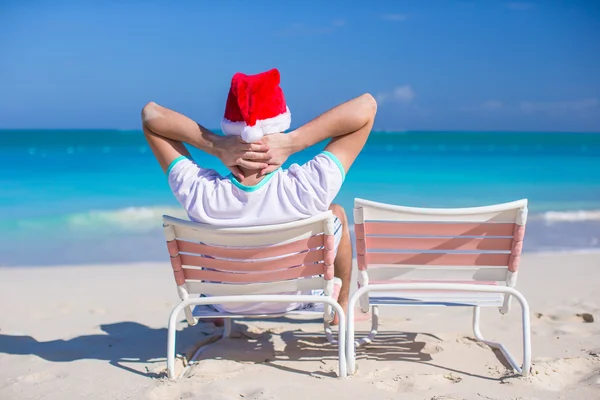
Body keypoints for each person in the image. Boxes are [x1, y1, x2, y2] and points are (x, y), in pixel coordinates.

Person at [141, 68, 376, 322]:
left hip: (224, 303)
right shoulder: (309, 186)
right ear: (280, 126)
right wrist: (295, 142)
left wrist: (214, 145)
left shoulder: (201, 192)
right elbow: (367, 106)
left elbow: (150, 116)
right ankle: (340, 308)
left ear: (231, 133)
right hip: (298, 301)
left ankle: (221, 313)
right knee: (336, 212)